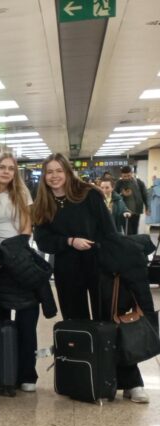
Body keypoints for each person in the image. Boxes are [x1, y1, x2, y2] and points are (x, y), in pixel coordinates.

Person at [33, 153, 148, 403]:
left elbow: (109, 231)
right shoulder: (43, 203)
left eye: (59, 171)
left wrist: (117, 263)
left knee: (109, 321)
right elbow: (42, 240)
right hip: (67, 270)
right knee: (77, 323)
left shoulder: (88, 194)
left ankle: (131, 382)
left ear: (67, 172)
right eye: (49, 172)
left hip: (99, 265)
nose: (54, 176)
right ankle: (85, 379)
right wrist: (69, 241)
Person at [0, 153, 47, 393]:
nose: (6, 172)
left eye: (11, 168)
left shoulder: (22, 194)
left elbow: (26, 228)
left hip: (19, 260)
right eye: (2, 167)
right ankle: (2, 373)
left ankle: (27, 374)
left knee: (27, 322)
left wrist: (12, 256)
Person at [115, 165, 149, 234]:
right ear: (121, 175)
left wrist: (147, 207)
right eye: (124, 176)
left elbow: (145, 195)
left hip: (136, 211)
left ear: (132, 173)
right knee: (128, 231)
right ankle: (129, 241)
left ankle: (134, 240)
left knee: (135, 230)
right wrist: (122, 194)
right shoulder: (119, 183)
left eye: (128, 175)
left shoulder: (139, 182)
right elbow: (114, 195)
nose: (127, 178)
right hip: (124, 211)